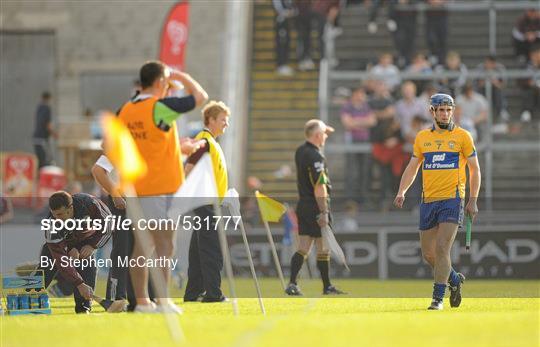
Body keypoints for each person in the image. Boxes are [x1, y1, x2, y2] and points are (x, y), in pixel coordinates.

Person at [117, 60, 208, 313]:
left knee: (142, 245)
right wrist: (182, 76)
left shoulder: (125, 110)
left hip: (137, 186)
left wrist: (179, 147)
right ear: (159, 82)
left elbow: (146, 144)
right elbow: (200, 97)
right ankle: (163, 302)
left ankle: (143, 302)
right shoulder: (159, 107)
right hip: (161, 185)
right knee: (165, 244)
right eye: (166, 80)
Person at [394, 93, 481, 310]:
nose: (444, 113)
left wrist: (473, 200)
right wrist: (401, 190)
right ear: (432, 112)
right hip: (428, 200)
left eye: (448, 110)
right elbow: (413, 167)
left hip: (453, 199)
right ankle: (454, 279)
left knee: (443, 249)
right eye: (440, 110)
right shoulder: (422, 137)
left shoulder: (463, 136)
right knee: (429, 254)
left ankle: (437, 299)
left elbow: (475, 170)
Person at [285, 119, 345, 296]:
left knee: (303, 246)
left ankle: (292, 283)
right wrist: (324, 211)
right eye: (324, 133)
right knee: (323, 247)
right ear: (318, 135)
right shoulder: (316, 156)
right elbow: (320, 186)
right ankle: (327, 286)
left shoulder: (301, 151)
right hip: (315, 206)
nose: (326, 136)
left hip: (303, 204)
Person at [183, 101, 231, 303]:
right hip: (206, 203)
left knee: (198, 249)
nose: (226, 124)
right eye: (222, 120)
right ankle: (213, 293)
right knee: (212, 248)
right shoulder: (204, 141)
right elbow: (189, 169)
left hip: (208, 203)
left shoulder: (209, 141)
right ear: (210, 120)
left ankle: (193, 293)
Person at [40, 191, 113, 313]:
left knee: (88, 269)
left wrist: (92, 246)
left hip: (85, 242)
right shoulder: (51, 225)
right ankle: (30, 301)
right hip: (60, 248)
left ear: (71, 208)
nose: (57, 218)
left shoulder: (89, 204)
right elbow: (61, 259)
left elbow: (109, 225)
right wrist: (79, 283)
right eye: (54, 214)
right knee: (46, 268)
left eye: (60, 214)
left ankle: (84, 308)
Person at [340, 87, 377, 205]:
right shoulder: (347, 106)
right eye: (360, 94)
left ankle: (364, 197)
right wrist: (363, 122)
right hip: (351, 142)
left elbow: (372, 121)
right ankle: (349, 197)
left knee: (364, 170)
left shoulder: (366, 106)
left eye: (363, 94)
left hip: (364, 141)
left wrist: (355, 121)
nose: (362, 96)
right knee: (351, 170)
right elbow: (347, 123)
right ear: (354, 94)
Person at [32, 91, 57, 168]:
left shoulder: (39, 107)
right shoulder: (47, 108)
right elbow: (47, 124)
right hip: (42, 139)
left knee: (40, 160)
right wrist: (54, 133)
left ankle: (39, 177)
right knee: (47, 160)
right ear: (49, 98)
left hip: (36, 137)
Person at [273, 0, 297, 76]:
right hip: (281, 23)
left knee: (286, 42)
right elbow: (278, 9)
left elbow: (294, 9)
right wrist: (287, 13)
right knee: (281, 43)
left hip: (287, 23)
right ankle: (281, 64)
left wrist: (292, 12)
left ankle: (285, 63)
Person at [425, 0, 448, 65]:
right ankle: (433, 57)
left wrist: (440, 2)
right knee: (431, 39)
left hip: (442, 15)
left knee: (442, 40)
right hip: (430, 15)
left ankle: (441, 62)